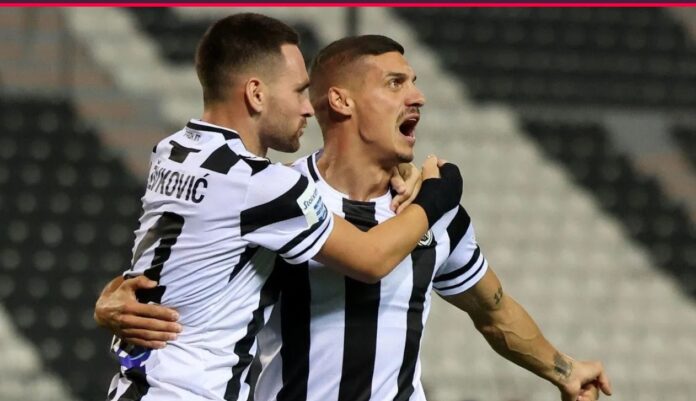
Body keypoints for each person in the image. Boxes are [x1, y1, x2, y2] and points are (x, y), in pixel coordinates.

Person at [97, 33, 612, 401]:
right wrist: (114, 299)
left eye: (414, 83)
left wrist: (563, 370)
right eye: (395, 83)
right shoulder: (282, 197)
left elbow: (493, 312)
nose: (418, 96)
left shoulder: (433, 214)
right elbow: (187, 265)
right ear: (341, 101)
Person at [97, 15, 463, 401]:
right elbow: (371, 259)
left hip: (135, 387)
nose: (308, 108)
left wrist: (110, 295)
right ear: (256, 94)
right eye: (299, 91)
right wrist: (439, 193)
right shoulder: (264, 186)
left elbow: (178, 256)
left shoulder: (172, 151)